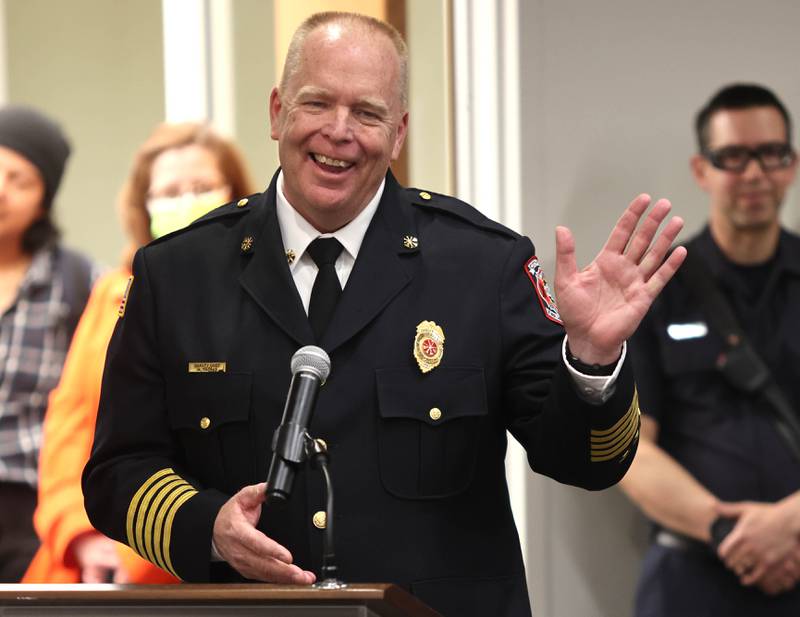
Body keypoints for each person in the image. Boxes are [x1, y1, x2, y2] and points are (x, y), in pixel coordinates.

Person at [83, 12, 685, 617]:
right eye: (316, 103)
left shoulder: (482, 265)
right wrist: (208, 526)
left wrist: (592, 359)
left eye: (367, 114)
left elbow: (586, 462)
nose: (339, 132)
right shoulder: (178, 273)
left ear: (397, 134)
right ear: (276, 112)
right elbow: (118, 471)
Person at [22, 123, 254, 584]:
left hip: (199, 560)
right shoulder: (113, 292)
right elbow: (70, 428)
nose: (185, 202)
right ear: (143, 207)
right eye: (168, 192)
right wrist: (81, 536)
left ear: (236, 193)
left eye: (202, 188)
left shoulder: (260, 293)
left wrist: (137, 553)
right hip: (91, 560)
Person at [621, 83, 800, 616]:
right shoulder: (654, 286)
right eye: (733, 157)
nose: (754, 174)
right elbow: (630, 450)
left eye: (771, 155)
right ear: (702, 170)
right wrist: (728, 531)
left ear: (791, 165)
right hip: (691, 578)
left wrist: (789, 524)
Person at [0, 105, 95, 581]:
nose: (1, 191)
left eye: (20, 179)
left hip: (34, 507)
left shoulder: (76, 280)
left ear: (44, 199)